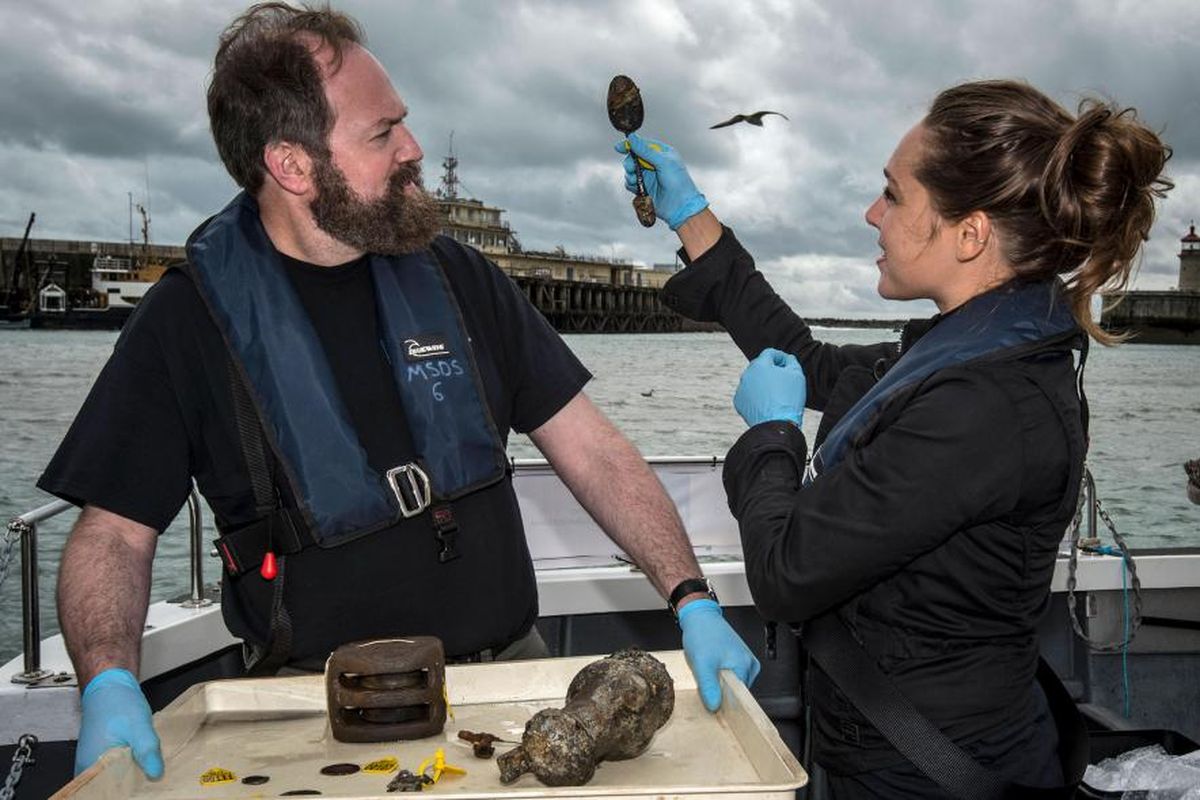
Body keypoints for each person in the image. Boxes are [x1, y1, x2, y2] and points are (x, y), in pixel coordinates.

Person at [42, 2, 759, 780]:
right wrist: (108, 681)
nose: (413, 148)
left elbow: (591, 448)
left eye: (402, 124)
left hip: (510, 687)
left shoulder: (460, 279)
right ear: (293, 164)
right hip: (310, 719)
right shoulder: (187, 320)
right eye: (382, 134)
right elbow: (113, 533)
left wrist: (691, 597)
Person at [615, 80, 1171, 797]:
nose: (872, 214)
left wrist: (775, 433)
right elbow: (806, 361)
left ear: (969, 234)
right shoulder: (969, 351)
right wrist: (692, 218)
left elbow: (787, 573)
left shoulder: (985, 405)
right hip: (894, 750)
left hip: (926, 771)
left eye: (893, 196)